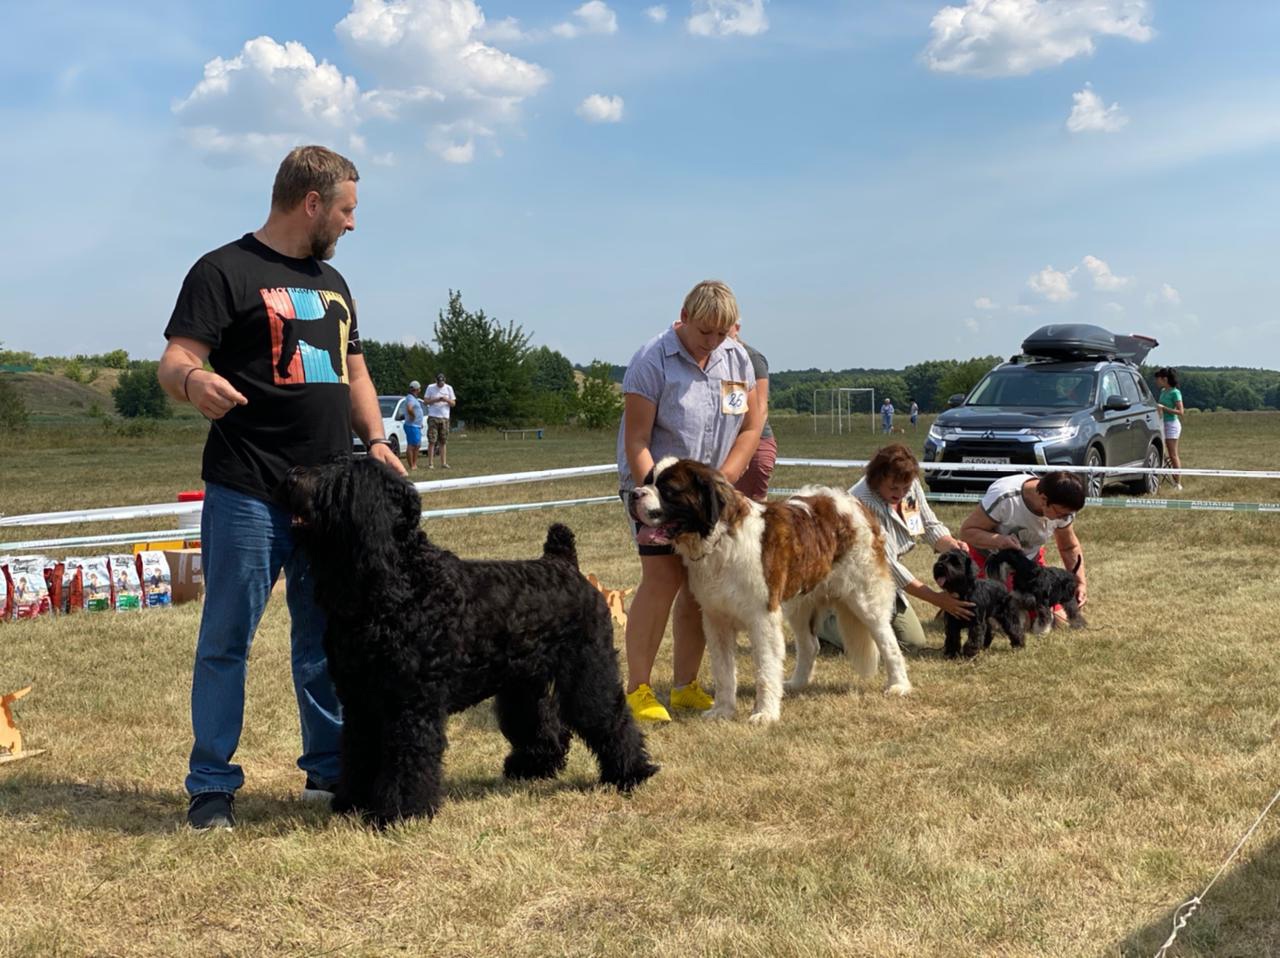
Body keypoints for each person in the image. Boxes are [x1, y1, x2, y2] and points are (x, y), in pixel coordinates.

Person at [157, 145, 405, 831]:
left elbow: (354, 371)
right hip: (248, 488)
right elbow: (176, 357)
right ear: (313, 203)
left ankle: (328, 772)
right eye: (348, 210)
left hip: (332, 500)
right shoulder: (223, 271)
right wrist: (191, 381)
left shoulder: (334, 283)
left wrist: (378, 440)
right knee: (226, 639)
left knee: (327, 639)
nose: (353, 225)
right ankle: (211, 786)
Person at [618, 280, 764, 723]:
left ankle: (685, 686)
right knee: (662, 580)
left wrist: (726, 480)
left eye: (722, 334)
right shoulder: (651, 360)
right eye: (705, 332)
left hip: (708, 496)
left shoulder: (737, 359)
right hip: (655, 487)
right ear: (684, 315)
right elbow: (638, 439)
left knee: (700, 590)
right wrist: (655, 497)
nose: (714, 342)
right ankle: (639, 690)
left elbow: (751, 427)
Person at [817, 444, 974, 650]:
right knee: (868, 646)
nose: (901, 493)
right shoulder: (860, 502)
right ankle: (823, 623)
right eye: (893, 488)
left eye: (905, 488)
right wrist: (938, 599)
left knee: (912, 642)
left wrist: (952, 546)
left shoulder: (909, 483)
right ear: (877, 480)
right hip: (849, 583)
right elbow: (889, 565)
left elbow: (927, 525)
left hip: (883, 582)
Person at [957, 471, 1088, 614]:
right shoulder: (1005, 497)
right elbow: (967, 532)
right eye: (1061, 514)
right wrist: (1000, 541)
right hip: (991, 559)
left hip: (1029, 564)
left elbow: (1069, 547)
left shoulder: (1062, 506)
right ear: (1044, 499)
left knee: (1059, 619)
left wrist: (1079, 583)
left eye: (1068, 515)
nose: (1064, 518)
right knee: (1006, 614)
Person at [729, 321, 776, 502]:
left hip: (756, 443)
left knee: (752, 511)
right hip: (731, 443)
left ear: (737, 328)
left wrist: (746, 449)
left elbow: (761, 408)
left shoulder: (752, 358)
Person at [1154, 367, 1185, 490]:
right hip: (1162, 423)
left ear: (1165, 379)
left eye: (1159, 379)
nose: (1157, 382)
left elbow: (1180, 411)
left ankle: (1177, 482)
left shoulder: (1175, 392)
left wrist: (1164, 408)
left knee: (1173, 454)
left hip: (1171, 424)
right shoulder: (1163, 391)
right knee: (1163, 452)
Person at [424, 372, 456, 469]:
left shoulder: (449, 388)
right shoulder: (430, 388)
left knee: (443, 440)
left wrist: (446, 399)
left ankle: (444, 462)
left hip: (445, 417)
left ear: (444, 381)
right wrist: (435, 400)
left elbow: (453, 403)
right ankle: (430, 463)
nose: (440, 384)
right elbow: (425, 401)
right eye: (438, 382)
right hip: (433, 416)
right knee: (432, 440)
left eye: (442, 382)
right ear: (436, 380)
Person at [403, 380, 424, 471]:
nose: (420, 390)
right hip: (411, 425)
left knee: (417, 445)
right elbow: (409, 408)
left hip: (416, 425)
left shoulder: (414, 398)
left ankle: (414, 464)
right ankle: (412, 465)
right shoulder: (410, 398)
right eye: (419, 388)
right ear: (416, 389)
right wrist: (413, 416)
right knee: (412, 445)